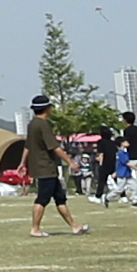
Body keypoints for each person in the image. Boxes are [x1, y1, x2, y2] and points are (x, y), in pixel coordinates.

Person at [22, 99, 84, 238]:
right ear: (46, 109)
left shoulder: (32, 124)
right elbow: (55, 147)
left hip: (44, 166)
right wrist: (70, 162)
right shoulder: (42, 124)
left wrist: (22, 163)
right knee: (43, 198)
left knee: (60, 198)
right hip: (45, 167)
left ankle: (75, 227)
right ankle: (35, 229)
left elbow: (27, 146)